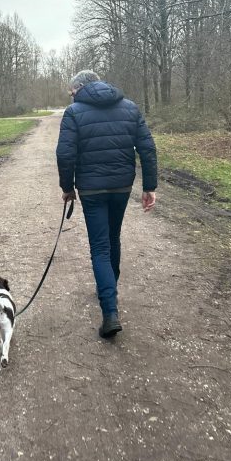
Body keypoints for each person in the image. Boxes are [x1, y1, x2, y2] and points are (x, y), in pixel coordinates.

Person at [56, 70, 157, 339]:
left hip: (91, 189)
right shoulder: (130, 107)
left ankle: (109, 311)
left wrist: (67, 188)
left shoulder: (74, 112)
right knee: (113, 238)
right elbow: (147, 148)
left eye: (72, 92)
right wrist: (149, 186)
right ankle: (109, 286)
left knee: (100, 247)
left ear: (80, 88)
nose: (72, 97)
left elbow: (65, 154)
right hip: (121, 186)